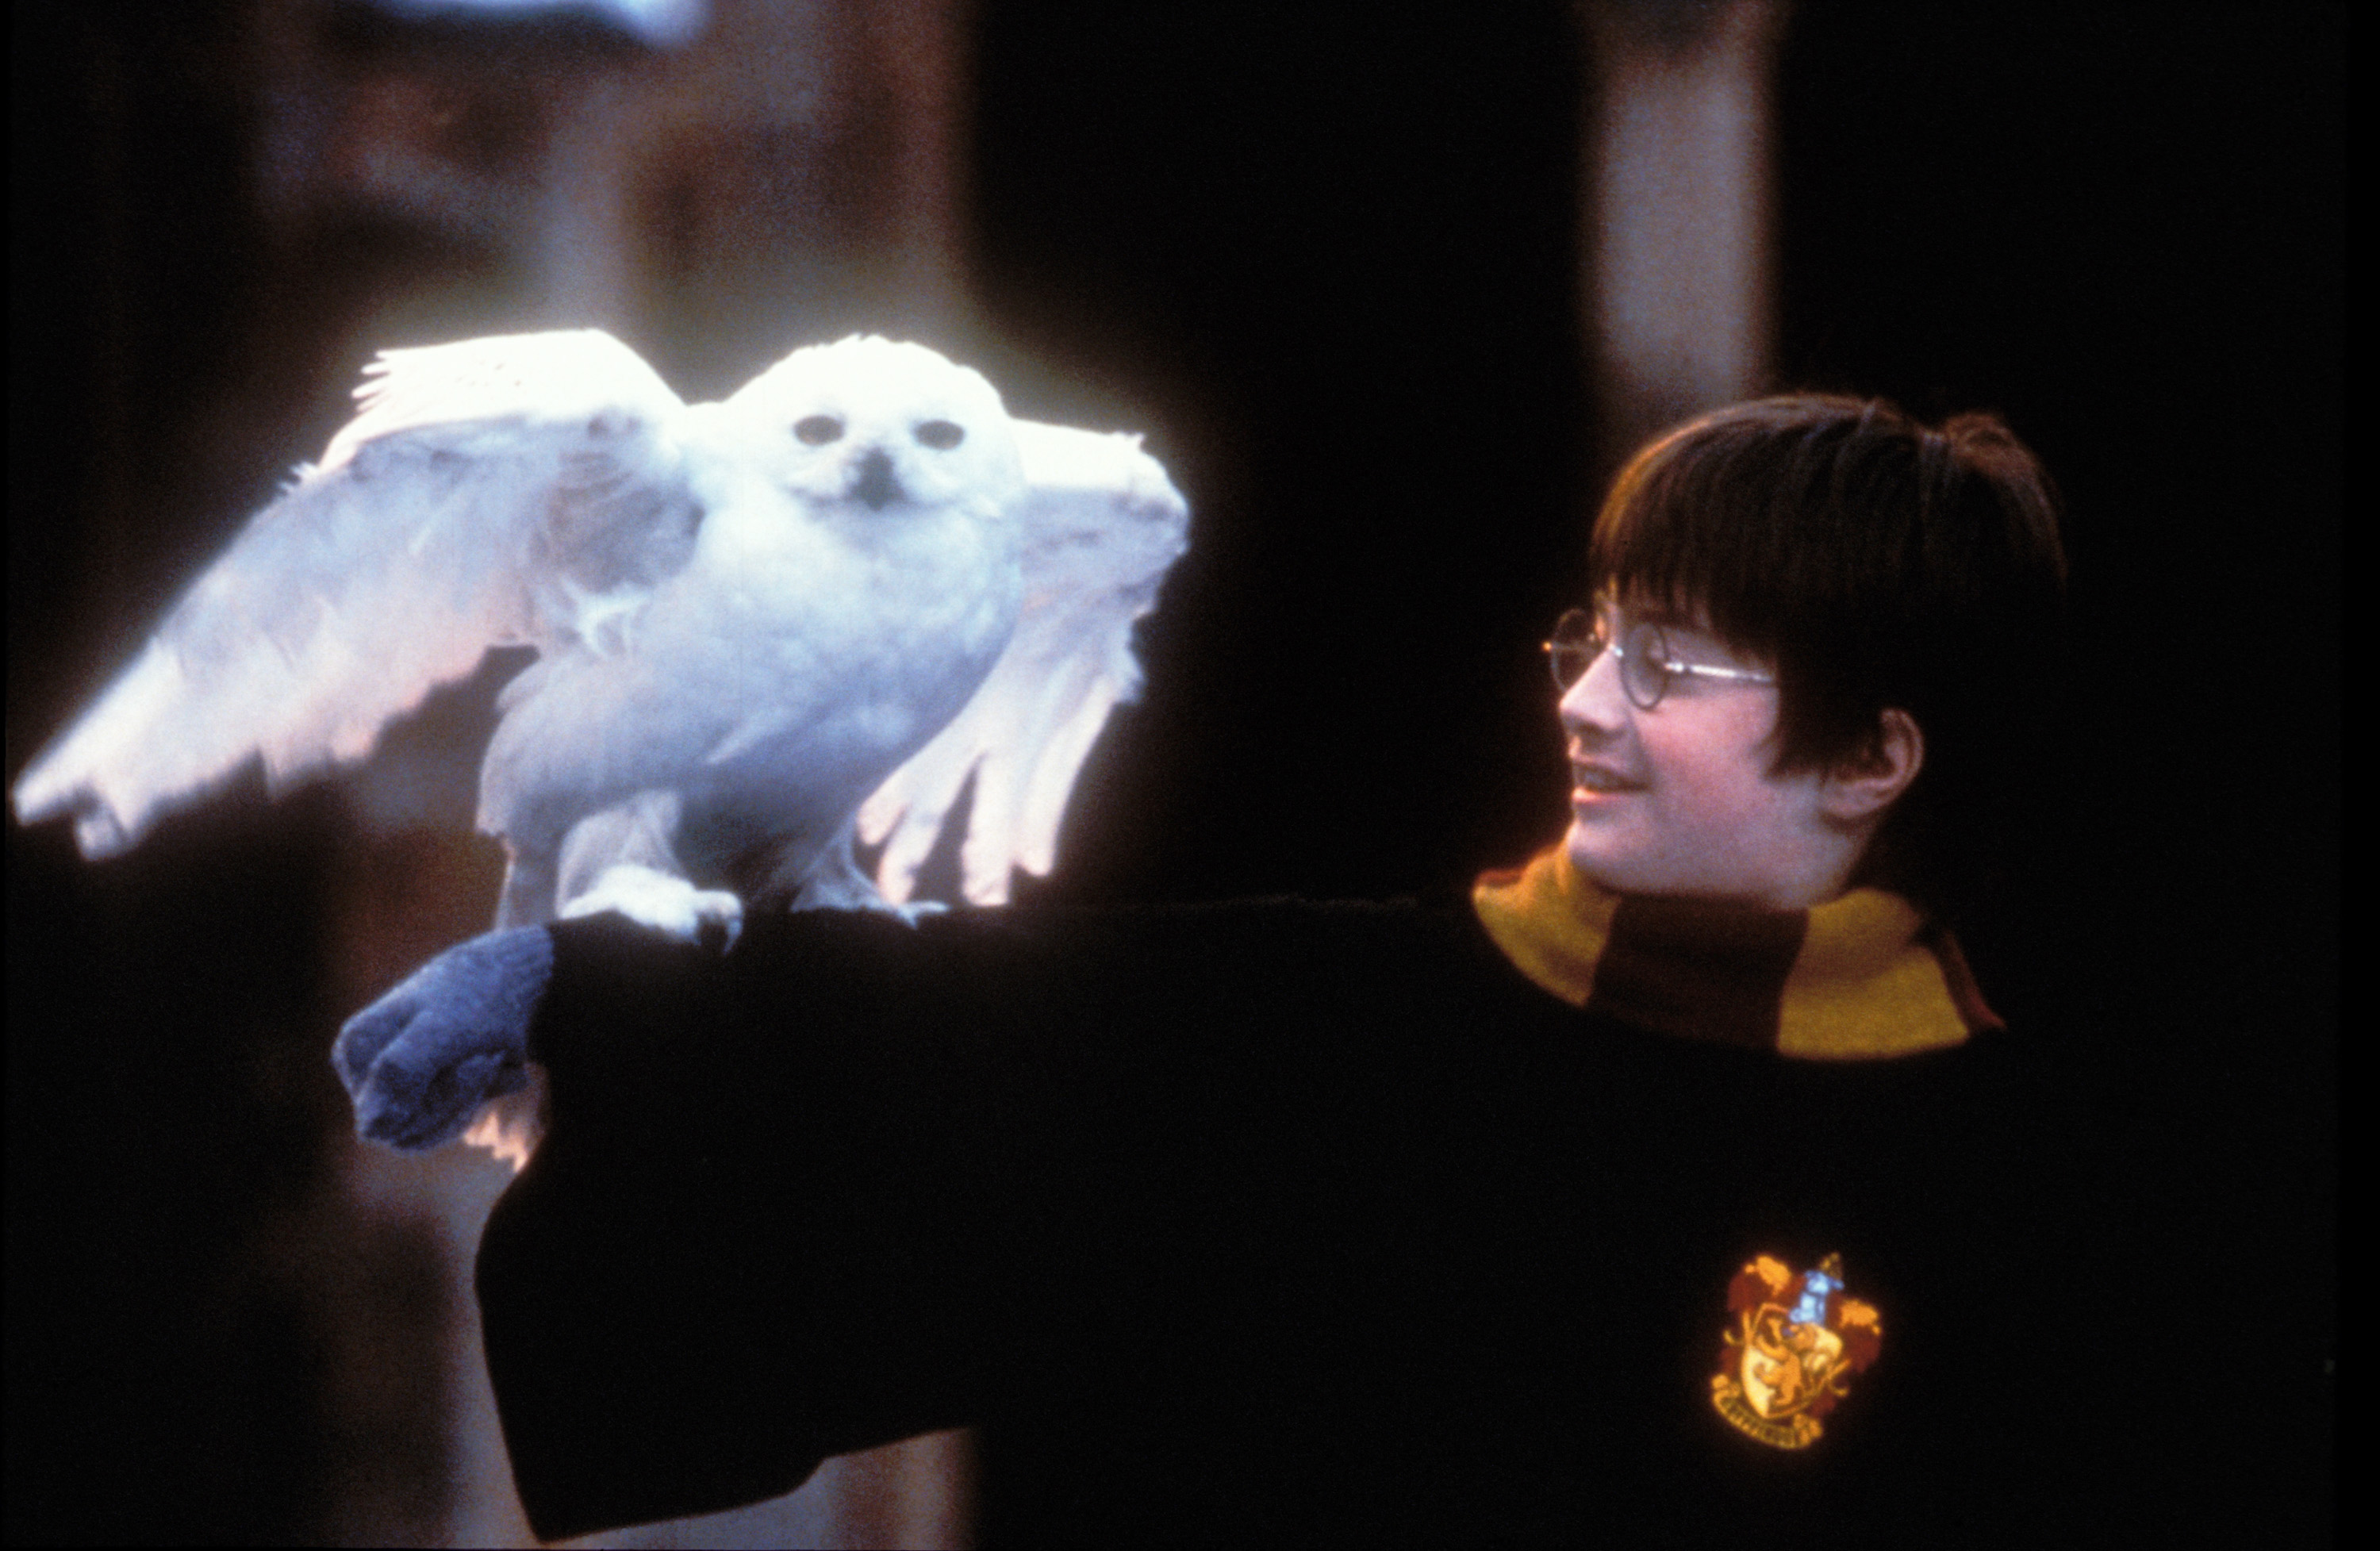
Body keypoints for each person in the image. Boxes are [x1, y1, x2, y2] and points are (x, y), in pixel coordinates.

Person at [340, 394, 2104, 1545]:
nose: (1581, 701)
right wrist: (578, 991)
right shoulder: (1363, 1021)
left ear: (1872, 760)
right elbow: (956, 1038)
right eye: (1595, 638)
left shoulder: (2035, 1181)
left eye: (1670, 665)